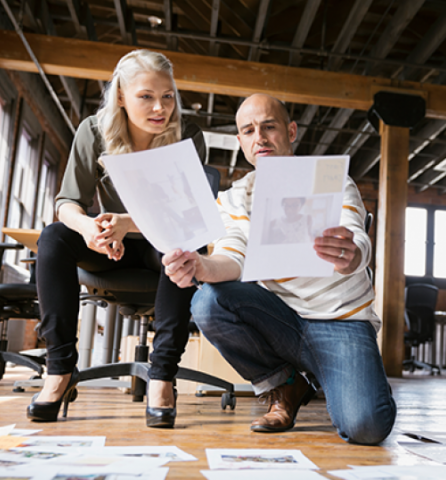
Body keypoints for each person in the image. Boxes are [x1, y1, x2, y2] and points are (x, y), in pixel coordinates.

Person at [161, 93, 396, 445]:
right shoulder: (233, 198)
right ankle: (285, 385)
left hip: (340, 322)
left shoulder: (330, 180)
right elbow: (234, 259)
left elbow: (357, 237)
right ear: (240, 142)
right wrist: (201, 267)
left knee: (367, 427)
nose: (260, 138)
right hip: (279, 320)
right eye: (249, 130)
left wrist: (352, 253)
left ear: (290, 131)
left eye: (269, 127)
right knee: (207, 301)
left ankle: (334, 376)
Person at [28, 50, 205, 428]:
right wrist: (89, 228)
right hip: (112, 245)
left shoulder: (188, 135)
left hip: (162, 243)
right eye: (146, 96)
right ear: (121, 96)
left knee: (184, 248)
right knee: (54, 238)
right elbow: (66, 204)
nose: (160, 107)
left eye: (168, 96)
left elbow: (190, 215)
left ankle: (162, 377)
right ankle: (59, 371)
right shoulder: (94, 130)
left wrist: (127, 221)